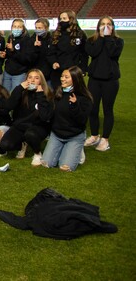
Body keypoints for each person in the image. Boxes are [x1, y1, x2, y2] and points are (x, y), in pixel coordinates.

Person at [0, 69, 54, 166]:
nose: (32, 80)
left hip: (38, 127)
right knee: (5, 145)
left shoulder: (47, 94)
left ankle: (37, 153)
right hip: (20, 126)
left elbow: (45, 117)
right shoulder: (22, 92)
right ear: (26, 79)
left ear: (41, 81)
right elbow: (8, 106)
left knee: (30, 134)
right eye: (30, 77)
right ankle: (22, 144)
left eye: (36, 78)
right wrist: (19, 88)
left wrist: (40, 95)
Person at [41, 67, 93, 172]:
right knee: (47, 163)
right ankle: (66, 150)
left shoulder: (84, 98)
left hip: (74, 135)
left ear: (75, 79)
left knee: (65, 167)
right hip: (57, 135)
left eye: (66, 77)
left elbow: (81, 120)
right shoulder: (58, 92)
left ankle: (77, 151)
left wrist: (75, 106)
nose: (62, 79)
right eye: (62, 76)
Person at [84, 16, 123, 152]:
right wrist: (101, 37)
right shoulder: (91, 40)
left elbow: (113, 53)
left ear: (113, 27)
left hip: (110, 81)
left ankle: (105, 139)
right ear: (98, 26)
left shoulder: (118, 41)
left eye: (108, 24)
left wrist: (107, 38)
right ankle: (95, 135)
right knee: (93, 109)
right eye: (103, 24)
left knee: (108, 110)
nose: (105, 26)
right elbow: (93, 52)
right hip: (94, 79)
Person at [48, 10, 87, 89]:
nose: (62, 21)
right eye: (60, 19)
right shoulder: (55, 34)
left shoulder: (80, 34)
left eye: (64, 18)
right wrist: (53, 62)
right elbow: (50, 53)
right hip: (58, 72)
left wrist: (83, 69)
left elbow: (84, 54)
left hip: (73, 72)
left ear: (71, 19)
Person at [2, 18, 38, 93]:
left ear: (23, 28)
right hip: (7, 72)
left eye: (19, 27)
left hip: (19, 74)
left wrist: (13, 50)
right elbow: (10, 56)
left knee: (16, 94)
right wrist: (5, 55)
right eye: (14, 26)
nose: (16, 28)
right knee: (5, 94)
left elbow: (26, 59)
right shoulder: (10, 38)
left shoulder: (27, 40)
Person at [32, 18, 53, 88]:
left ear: (46, 28)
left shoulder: (51, 39)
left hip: (48, 74)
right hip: (35, 72)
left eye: (40, 28)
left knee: (48, 94)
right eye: (36, 27)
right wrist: (35, 47)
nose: (37, 30)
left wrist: (42, 46)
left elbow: (50, 55)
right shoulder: (33, 38)